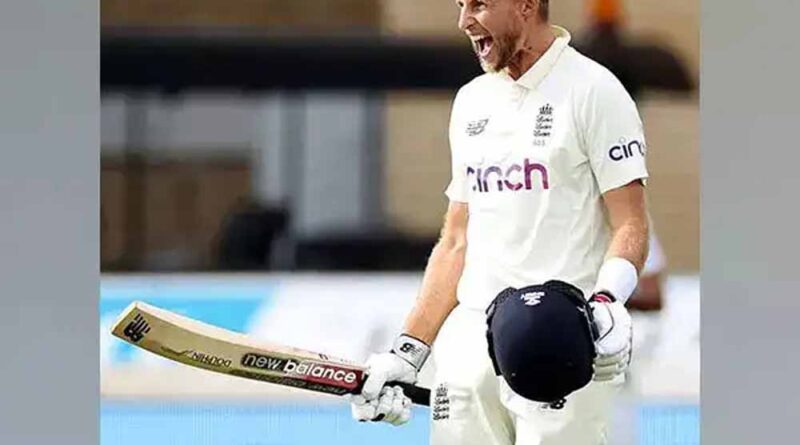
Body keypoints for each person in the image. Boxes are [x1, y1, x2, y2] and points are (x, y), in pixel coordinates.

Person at [349, 0, 650, 443]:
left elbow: (632, 224)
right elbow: (457, 240)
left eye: (479, 4)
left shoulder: (595, 90)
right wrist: (408, 351)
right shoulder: (471, 101)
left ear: (526, 5)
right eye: (461, 5)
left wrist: (607, 301)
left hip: (560, 338)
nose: (463, 21)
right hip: (471, 344)